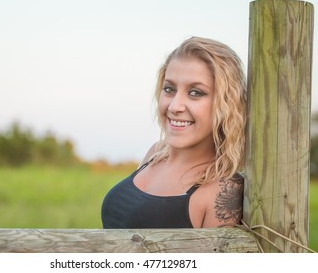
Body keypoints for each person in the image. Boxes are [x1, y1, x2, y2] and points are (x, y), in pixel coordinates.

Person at [101, 36, 246, 228]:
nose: (175, 106)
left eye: (195, 93)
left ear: (227, 104)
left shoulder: (224, 189)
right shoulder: (156, 153)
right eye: (169, 89)